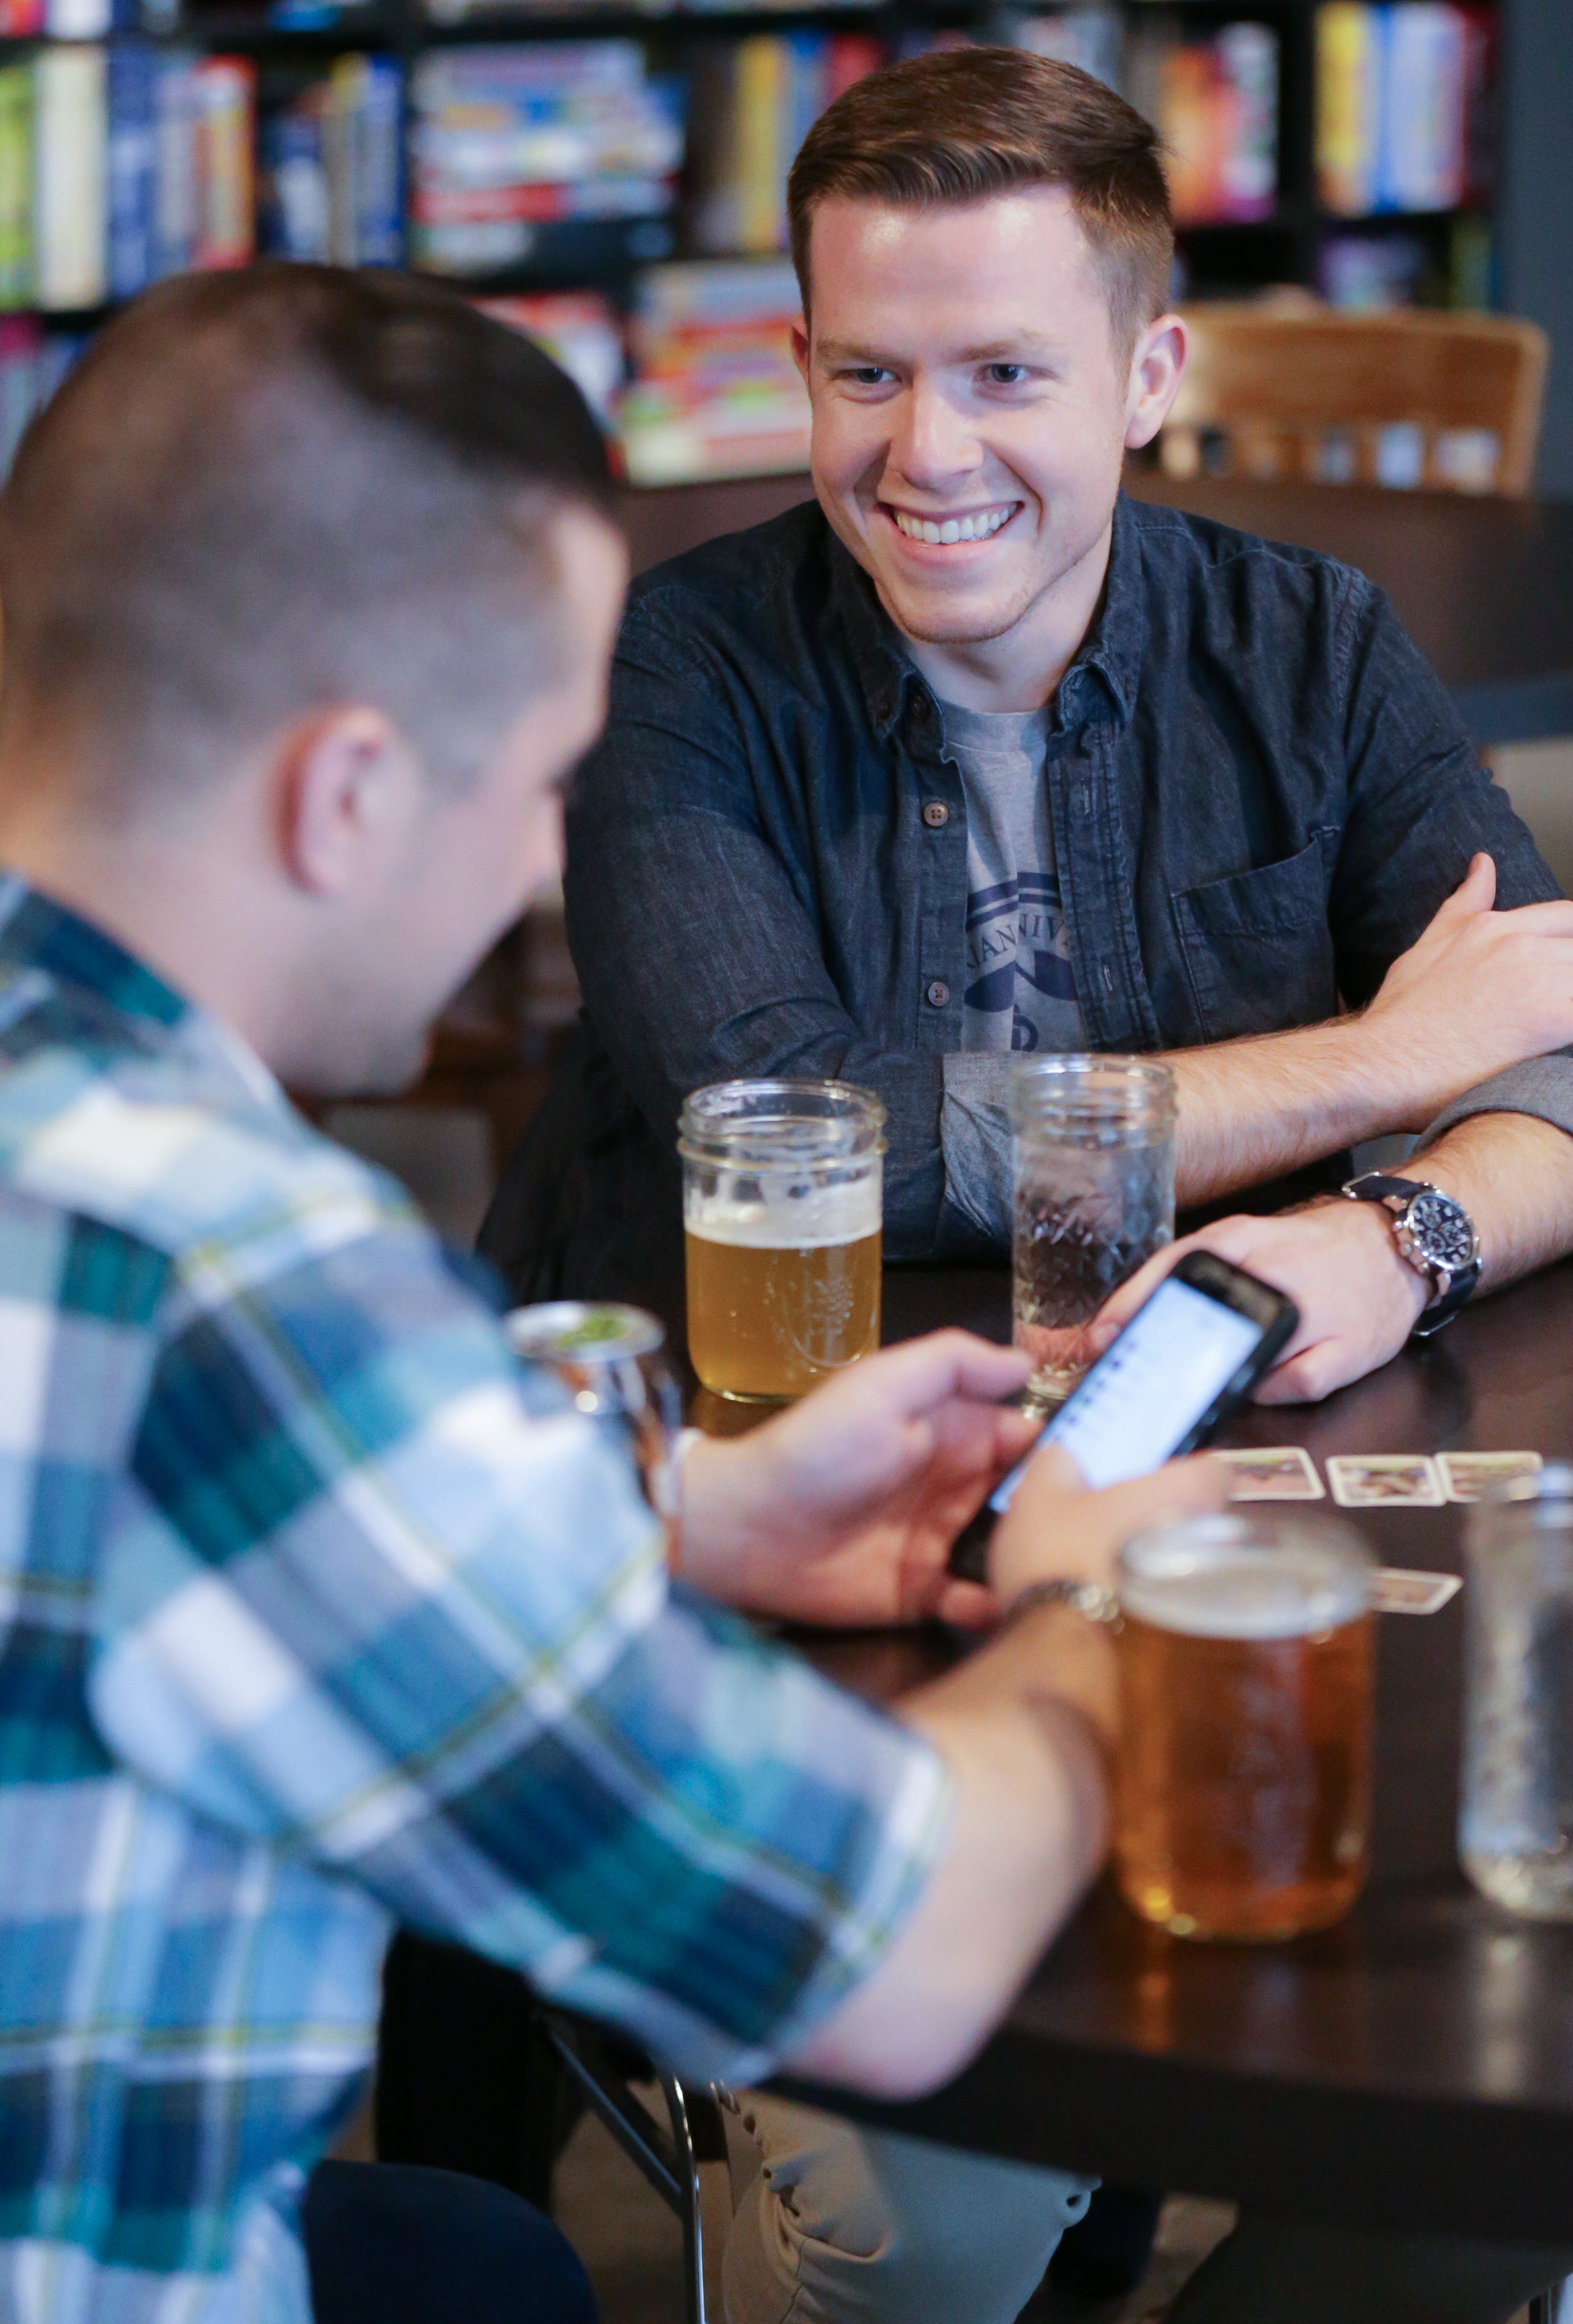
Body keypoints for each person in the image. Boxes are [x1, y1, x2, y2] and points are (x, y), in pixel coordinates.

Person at [475, 45, 1573, 2321]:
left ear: (1148, 376)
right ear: (802, 364)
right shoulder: (682, 664)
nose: (925, 455)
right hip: (785, 1533)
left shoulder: (1309, 646)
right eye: (867, 373)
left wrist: (1399, 1231)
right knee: (926, 2222)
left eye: (1005, 374)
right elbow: (799, 1120)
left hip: (1227, 1526)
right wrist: (1382, 1063)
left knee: (1529, 2087)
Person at [0, 262, 1241, 2323]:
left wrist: (674, 1511)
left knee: (480, 2268)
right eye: (535, 788)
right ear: (345, 793)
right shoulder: (243, 1281)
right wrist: (1096, 1605)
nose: (532, 879)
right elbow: (889, 1949)